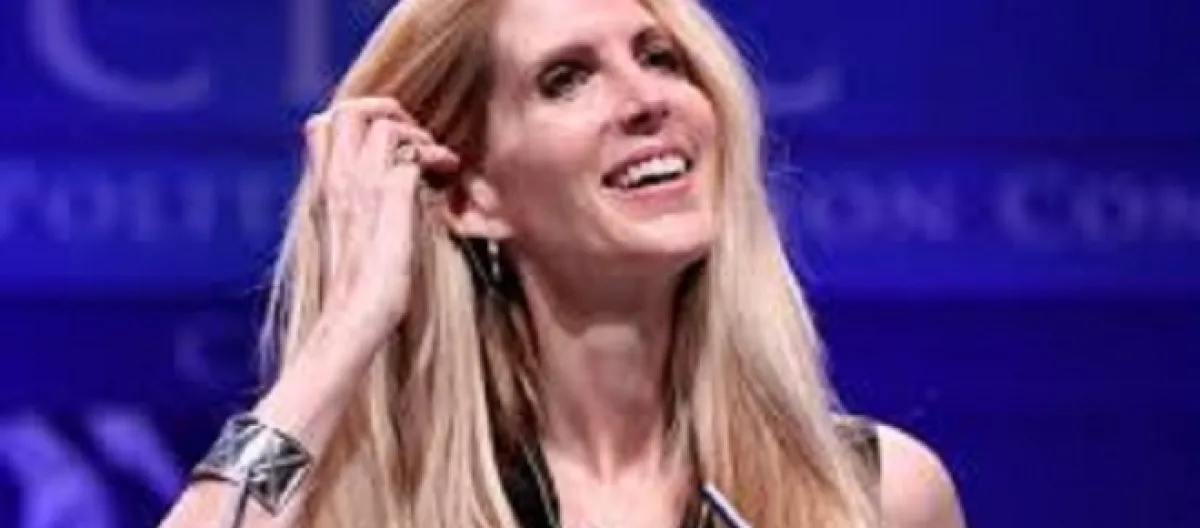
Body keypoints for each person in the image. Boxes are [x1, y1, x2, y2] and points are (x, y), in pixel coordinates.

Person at [160, 0, 966, 526]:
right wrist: (344, 328)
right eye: (566, 80)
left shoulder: (874, 496)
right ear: (470, 194)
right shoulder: (360, 509)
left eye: (661, 57)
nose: (646, 100)